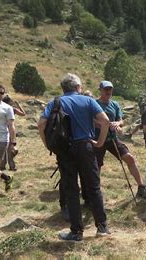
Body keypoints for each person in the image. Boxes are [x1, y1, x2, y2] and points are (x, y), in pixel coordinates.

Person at [37, 73, 111, 241]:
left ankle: (76, 232)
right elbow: (105, 121)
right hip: (86, 146)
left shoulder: (56, 102)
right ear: (78, 87)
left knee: (71, 189)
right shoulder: (88, 101)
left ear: (63, 88)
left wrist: (48, 145)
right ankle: (102, 227)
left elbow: (41, 124)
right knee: (94, 187)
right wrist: (99, 143)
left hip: (65, 149)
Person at [94, 81, 146, 199]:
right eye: (105, 89)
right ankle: (95, 192)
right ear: (100, 90)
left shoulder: (114, 104)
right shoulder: (94, 103)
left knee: (130, 158)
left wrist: (117, 124)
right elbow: (90, 120)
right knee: (97, 166)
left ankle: (141, 187)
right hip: (98, 138)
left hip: (112, 139)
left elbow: (121, 120)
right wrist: (104, 125)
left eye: (110, 89)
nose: (108, 92)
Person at [0, 84, 16, 200]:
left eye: (2, 93)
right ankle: (7, 178)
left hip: (0, 141)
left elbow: (11, 126)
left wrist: (12, 143)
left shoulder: (7, 108)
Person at [0, 94, 25, 172]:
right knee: (11, 149)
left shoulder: (0, 108)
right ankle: (11, 166)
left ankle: (3, 166)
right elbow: (23, 114)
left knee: (4, 149)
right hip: (10, 130)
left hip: (2, 130)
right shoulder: (12, 109)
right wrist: (18, 105)